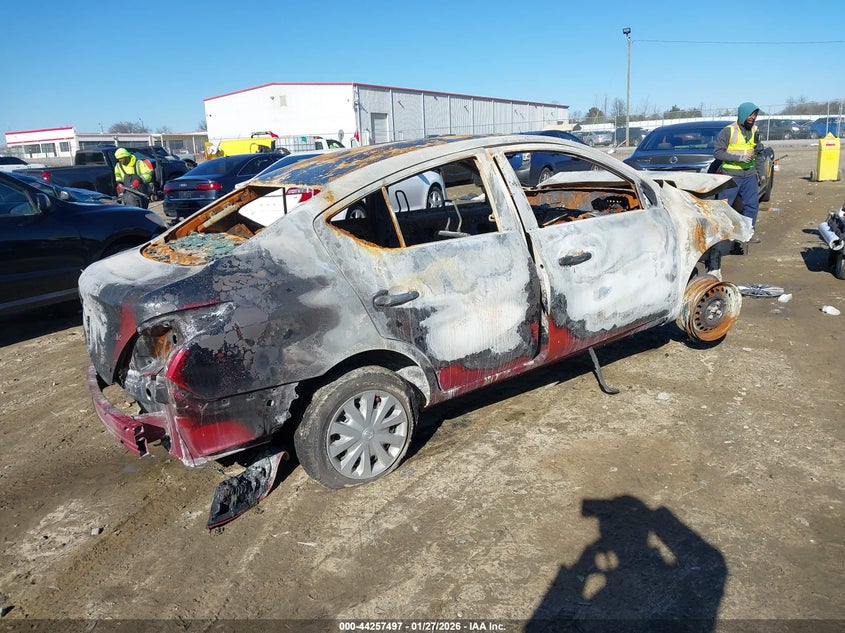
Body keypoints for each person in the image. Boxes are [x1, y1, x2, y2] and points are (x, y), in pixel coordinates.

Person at [713, 101, 763, 242]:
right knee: (725, 206)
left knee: (751, 205)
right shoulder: (728, 131)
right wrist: (739, 158)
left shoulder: (755, 131)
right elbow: (717, 153)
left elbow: (759, 152)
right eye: (750, 114)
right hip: (731, 176)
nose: (752, 117)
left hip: (749, 175)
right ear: (742, 114)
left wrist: (761, 173)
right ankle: (721, 235)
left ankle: (747, 233)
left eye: (754, 115)